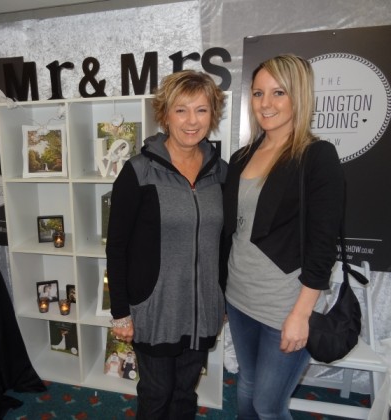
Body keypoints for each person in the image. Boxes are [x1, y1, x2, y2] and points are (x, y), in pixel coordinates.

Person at [222, 54, 345, 418]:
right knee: (246, 383)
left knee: (268, 405)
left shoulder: (316, 156)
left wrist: (301, 314)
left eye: (278, 93)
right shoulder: (243, 156)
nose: (266, 104)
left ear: (299, 96)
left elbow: (324, 245)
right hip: (240, 296)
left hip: (285, 305)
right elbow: (235, 231)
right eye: (258, 93)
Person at [106, 69, 227, 419]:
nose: (192, 121)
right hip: (155, 306)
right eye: (181, 110)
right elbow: (117, 246)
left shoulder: (221, 172)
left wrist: (220, 295)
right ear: (165, 115)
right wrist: (120, 312)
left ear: (212, 115)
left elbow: (223, 242)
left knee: (185, 393)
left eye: (202, 110)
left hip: (202, 306)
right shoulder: (139, 171)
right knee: (157, 394)